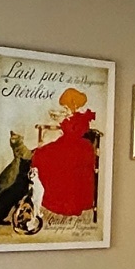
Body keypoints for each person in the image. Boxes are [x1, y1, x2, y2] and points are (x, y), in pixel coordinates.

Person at [28, 86, 98, 218]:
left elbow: (74, 134)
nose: (65, 110)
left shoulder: (82, 117)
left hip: (78, 149)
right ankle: (46, 193)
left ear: (74, 105)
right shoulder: (73, 116)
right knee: (41, 153)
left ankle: (61, 201)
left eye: (66, 107)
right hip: (68, 144)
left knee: (50, 157)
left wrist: (63, 120)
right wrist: (62, 119)